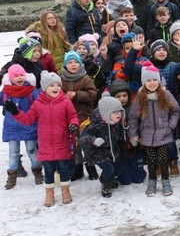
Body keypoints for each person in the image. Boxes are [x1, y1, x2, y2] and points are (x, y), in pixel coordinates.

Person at [9, 71, 79, 207]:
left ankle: (65, 191)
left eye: (58, 85)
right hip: (46, 145)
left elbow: (73, 116)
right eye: (52, 85)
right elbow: (28, 119)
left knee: (63, 169)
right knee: (48, 171)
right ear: (44, 88)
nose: (56, 88)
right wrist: (16, 112)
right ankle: (49, 193)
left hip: (62, 143)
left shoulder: (65, 102)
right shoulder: (38, 104)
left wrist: (73, 125)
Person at [128, 62, 180, 197]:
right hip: (147, 135)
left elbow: (175, 111)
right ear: (144, 82)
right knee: (151, 161)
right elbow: (133, 117)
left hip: (164, 134)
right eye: (148, 80)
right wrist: (133, 135)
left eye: (154, 80)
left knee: (163, 159)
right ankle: (152, 182)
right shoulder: (140, 97)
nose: (152, 83)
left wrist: (170, 126)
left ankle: (165, 181)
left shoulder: (165, 94)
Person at [79, 92, 128, 198]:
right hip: (97, 152)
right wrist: (94, 140)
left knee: (118, 167)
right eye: (114, 112)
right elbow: (83, 139)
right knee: (109, 169)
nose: (118, 114)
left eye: (119, 111)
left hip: (112, 150)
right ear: (106, 113)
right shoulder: (96, 125)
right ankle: (105, 183)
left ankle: (110, 179)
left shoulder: (117, 122)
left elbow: (123, 132)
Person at [60, 50, 98, 182]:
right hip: (68, 119)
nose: (73, 64)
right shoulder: (61, 79)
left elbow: (93, 94)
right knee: (74, 145)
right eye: (70, 62)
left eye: (76, 62)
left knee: (86, 143)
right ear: (65, 65)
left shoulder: (85, 78)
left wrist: (77, 95)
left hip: (84, 117)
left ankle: (91, 166)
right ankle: (78, 167)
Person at [2, 66, 42, 189]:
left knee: (32, 151)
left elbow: (40, 100)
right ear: (10, 78)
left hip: (28, 126)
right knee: (13, 153)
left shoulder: (31, 91)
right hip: (12, 128)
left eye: (21, 75)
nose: (19, 77)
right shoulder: (6, 93)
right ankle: (12, 176)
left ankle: (38, 173)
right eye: (15, 76)